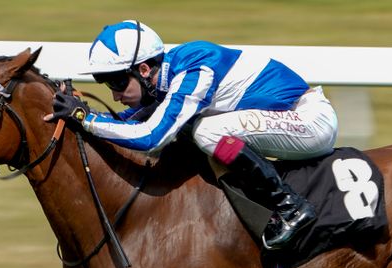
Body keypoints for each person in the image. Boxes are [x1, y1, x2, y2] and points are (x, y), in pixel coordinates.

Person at [46, 20, 339, 250]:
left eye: (118, 81)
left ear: (144, 69)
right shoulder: (166, 79)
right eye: (106, 84)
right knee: (197, 132)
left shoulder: (195, 67)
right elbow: (130, 122)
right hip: (283, 120)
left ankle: (290, 206)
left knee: (206, 131)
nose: (115, 93)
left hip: (309, 121)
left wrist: (85, 118)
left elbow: (150, 138)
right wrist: (84, 116)